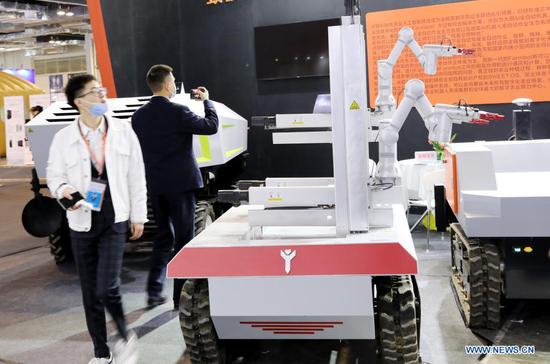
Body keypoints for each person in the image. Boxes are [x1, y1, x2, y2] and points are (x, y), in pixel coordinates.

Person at [46, 74, 148, 364]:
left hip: (115, 218)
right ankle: (101, 353)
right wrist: (63, 190)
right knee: (90, 292)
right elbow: (54, 176)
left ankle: (126, 336)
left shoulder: (123, 131)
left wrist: (138, 215)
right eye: (95, 92)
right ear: (79, 102)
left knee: (107, 286)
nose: (102, 96)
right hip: (81, 220)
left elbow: (136, 175)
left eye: (101, 90)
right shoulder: (63, 138)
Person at [131, 64, 218, 310]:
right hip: (181, 186)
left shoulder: (138, 117)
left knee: (162, 237)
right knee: (183, 239)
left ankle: (153, 290)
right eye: (173, 81)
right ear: (169, 85)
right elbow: (211, 127)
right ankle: (179, 296)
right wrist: (207, 102)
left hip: (155, 185)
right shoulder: (179, 112)